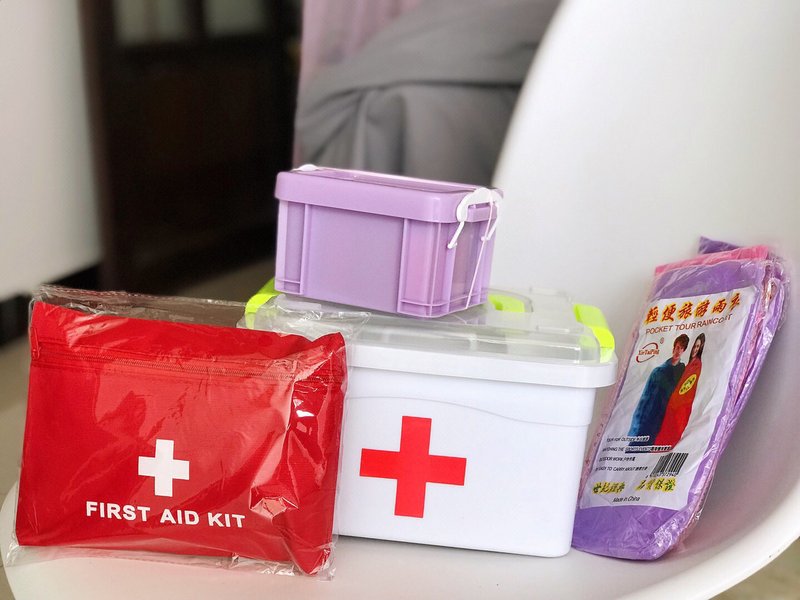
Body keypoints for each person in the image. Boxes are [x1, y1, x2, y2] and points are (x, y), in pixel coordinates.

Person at [628, 334, 690, 447]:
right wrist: (636, 427)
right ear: (673, 348)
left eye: (681, 348)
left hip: (666, 419)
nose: (678, 351)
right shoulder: (658, 372)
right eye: (677, 347)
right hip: (649, 417)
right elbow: (644, 400)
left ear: (684, 351)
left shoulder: (683, 372)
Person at [654, 333, 705, 449]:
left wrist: (674, 399)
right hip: (675, 403)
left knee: (671, 433)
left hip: (680, 406)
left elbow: (687, 387)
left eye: (698, 347)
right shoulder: (688, 364)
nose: (695, 349)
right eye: (695, 346)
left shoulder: (696, 364)